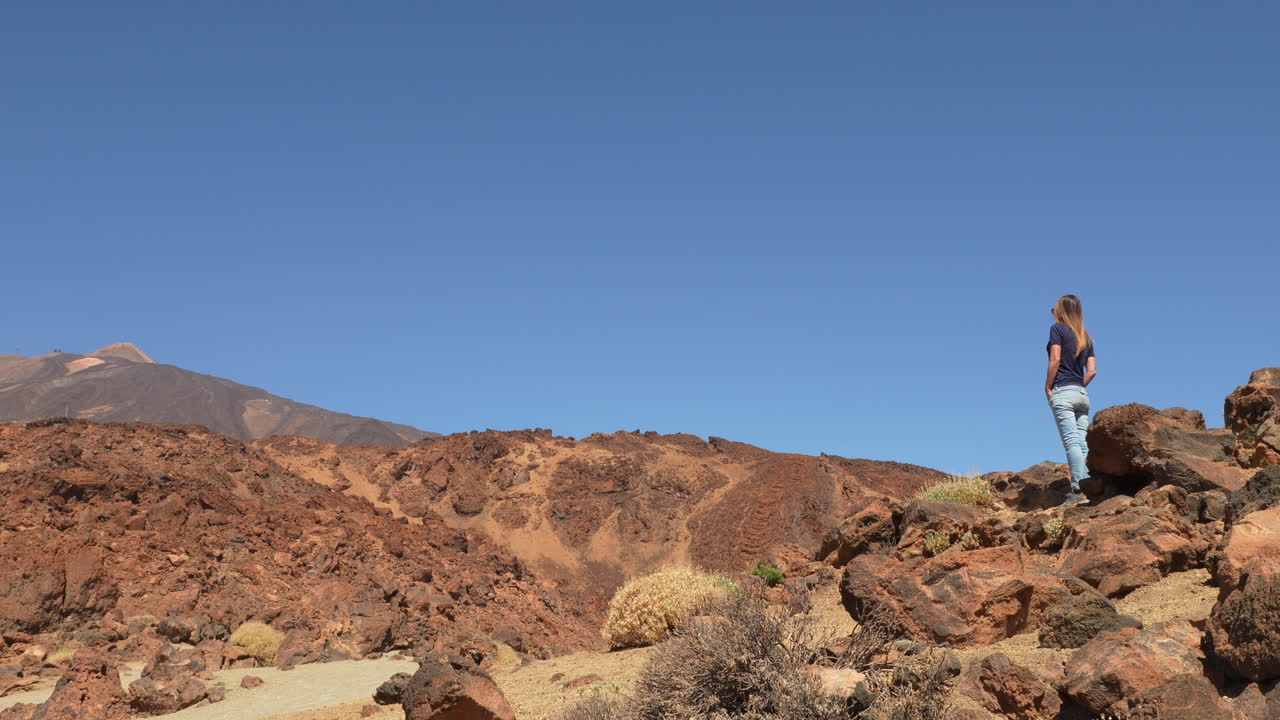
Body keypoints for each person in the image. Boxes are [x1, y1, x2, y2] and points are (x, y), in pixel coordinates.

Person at [1045, 294, 1096, 505]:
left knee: (1072, 442)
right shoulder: (1087, 337)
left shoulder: (1058, 329)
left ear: (1060, 310)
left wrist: (1048, 386)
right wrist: (1079, 387)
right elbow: (1092, 371)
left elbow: (1055, 358)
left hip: (1063, 391)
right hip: (1082, 394)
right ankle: (1090, 487)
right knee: (1083, 443)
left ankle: (1078, 489)